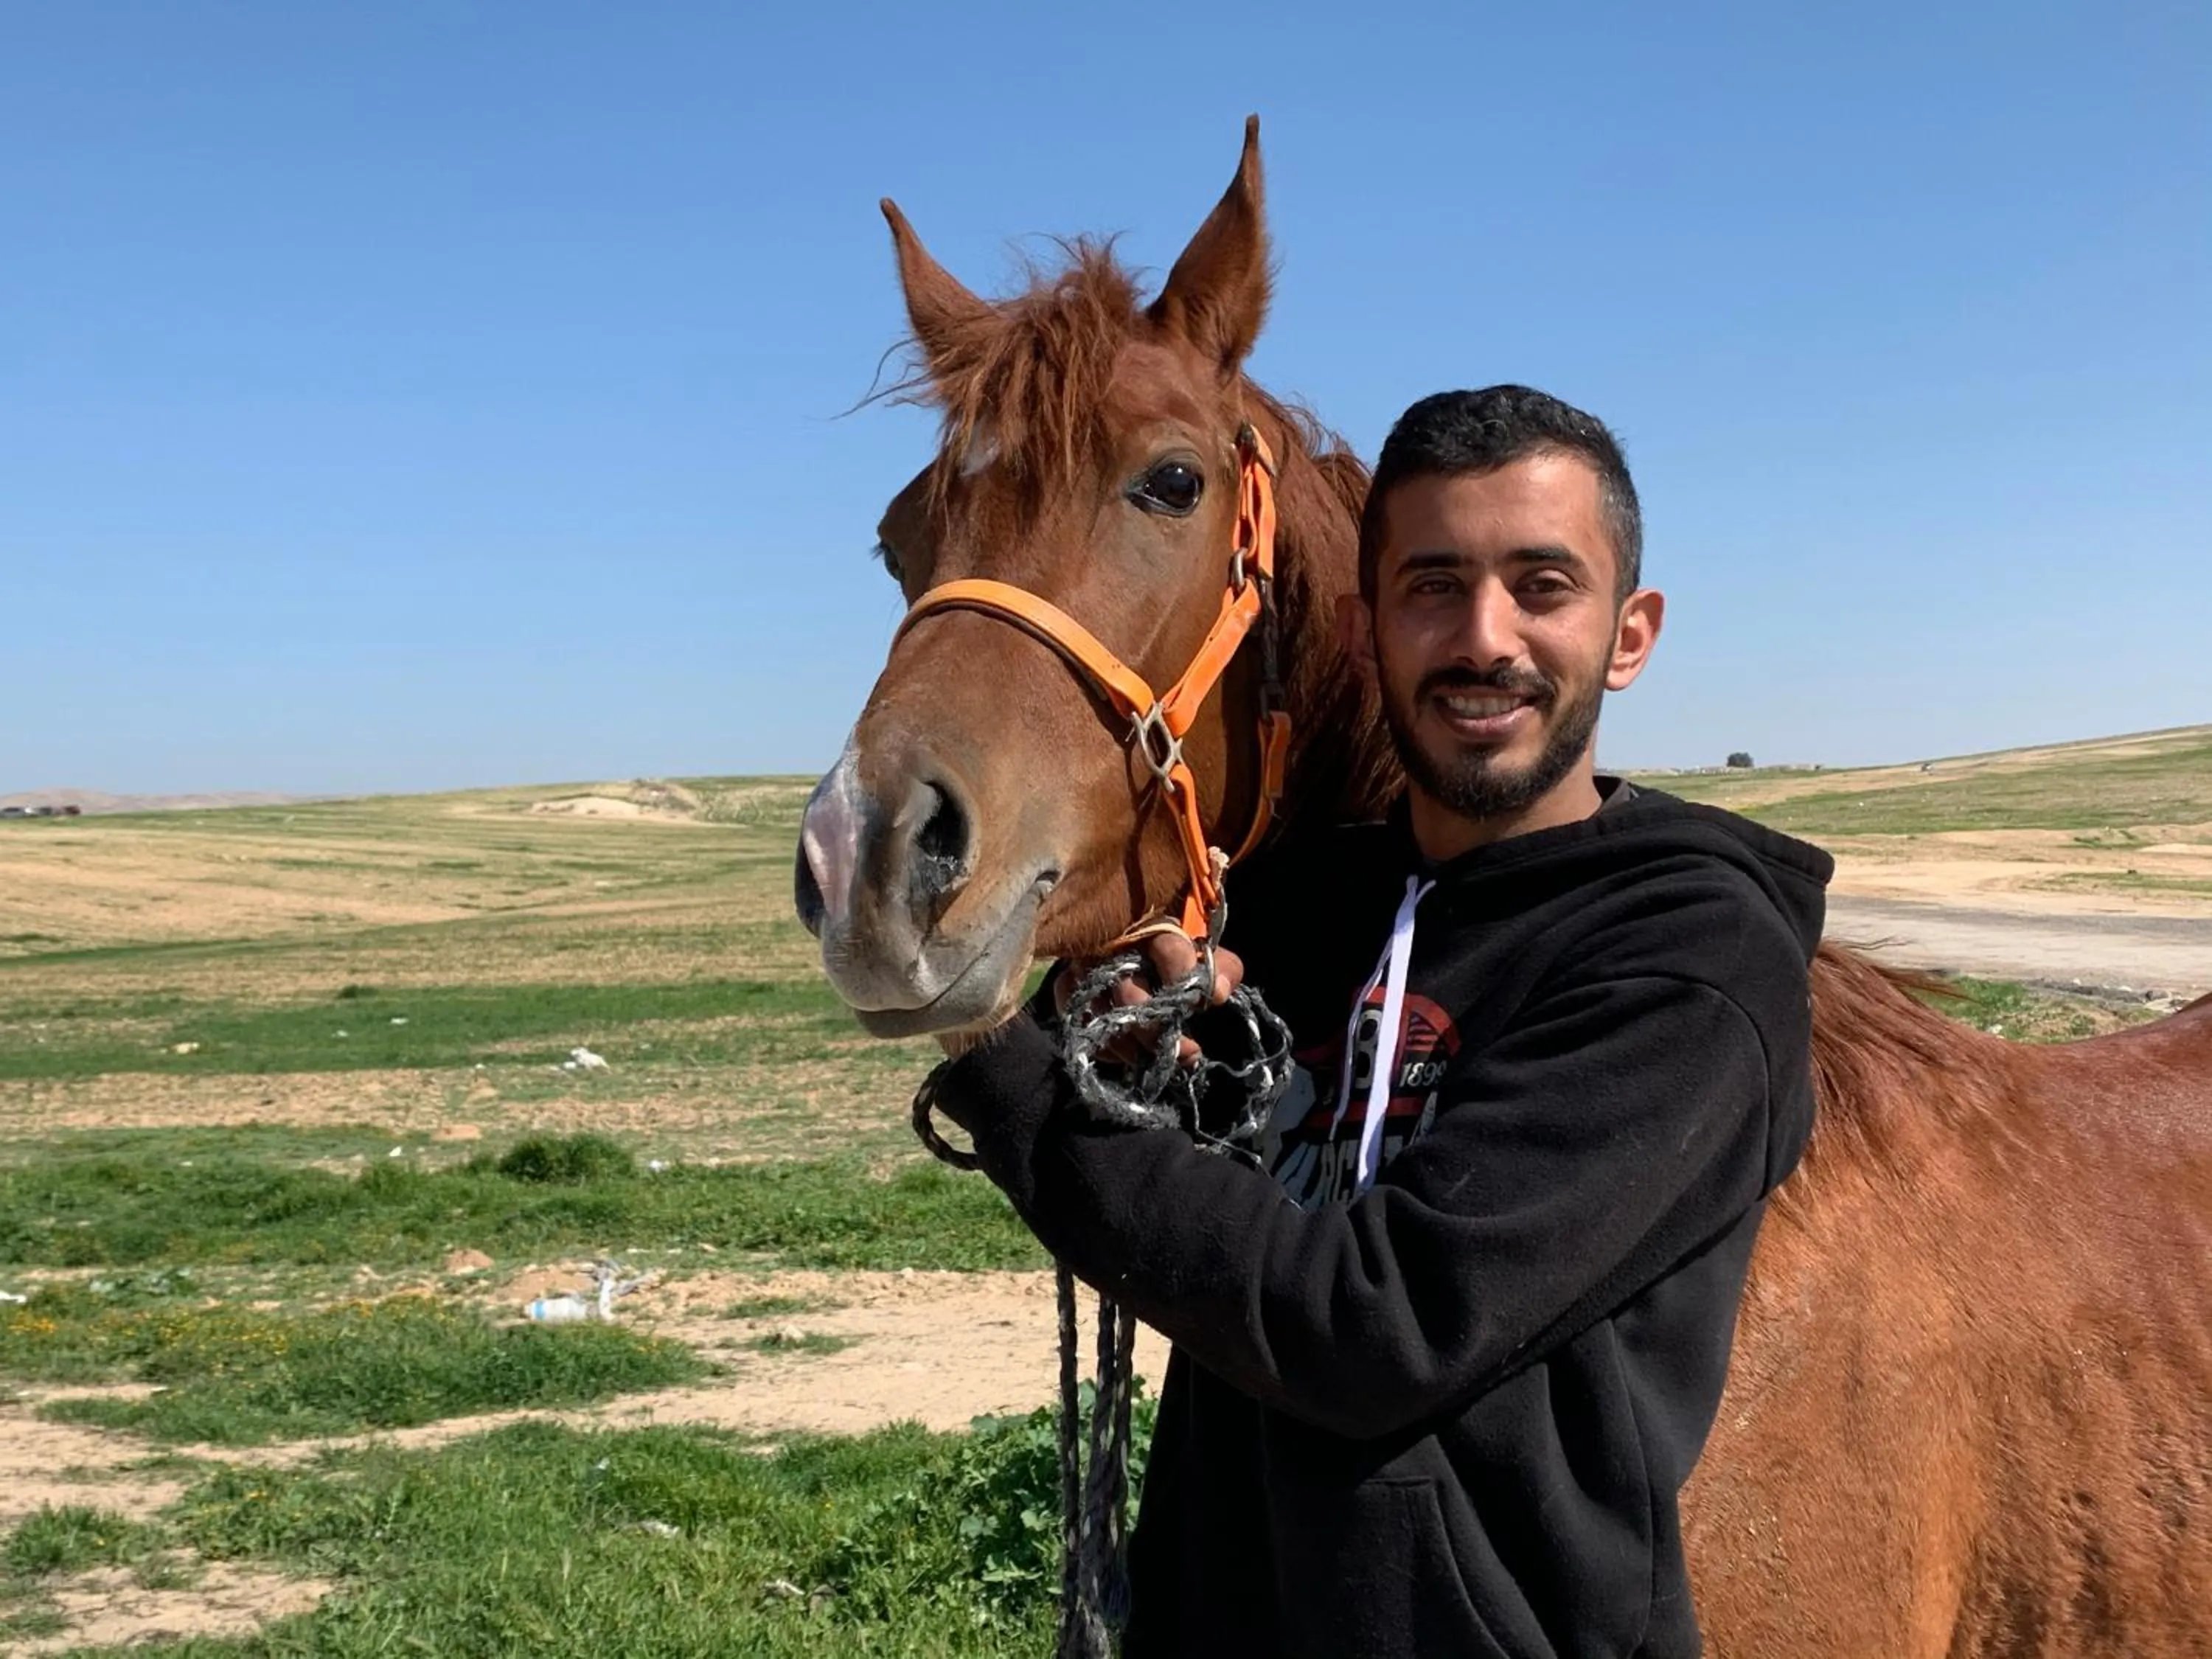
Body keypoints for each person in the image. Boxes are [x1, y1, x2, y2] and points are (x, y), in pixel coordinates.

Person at [930, 385, 1832, 1658]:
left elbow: (1377, 1327)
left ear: (1630, 634)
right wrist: (1167, 1074)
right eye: (1432, 585)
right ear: (1366, 629)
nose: (1484, 637)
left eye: (1543, 585)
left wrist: (1004, 1064)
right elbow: (1243, 1208)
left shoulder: (1692, 961)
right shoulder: (1300, 912)